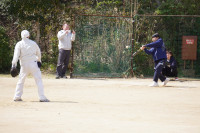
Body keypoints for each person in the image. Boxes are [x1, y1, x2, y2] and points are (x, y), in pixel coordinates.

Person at [12, 30, 49, 102]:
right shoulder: (33, 43)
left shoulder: (19, 44)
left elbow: (16, 55)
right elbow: (38, 52)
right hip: (33, 63)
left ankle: (17, 96)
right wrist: (39, 60)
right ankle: (42, 97)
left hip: (24, 65)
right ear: (28, 36)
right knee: (38, 80)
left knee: (21, 81)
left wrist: (13, 65)